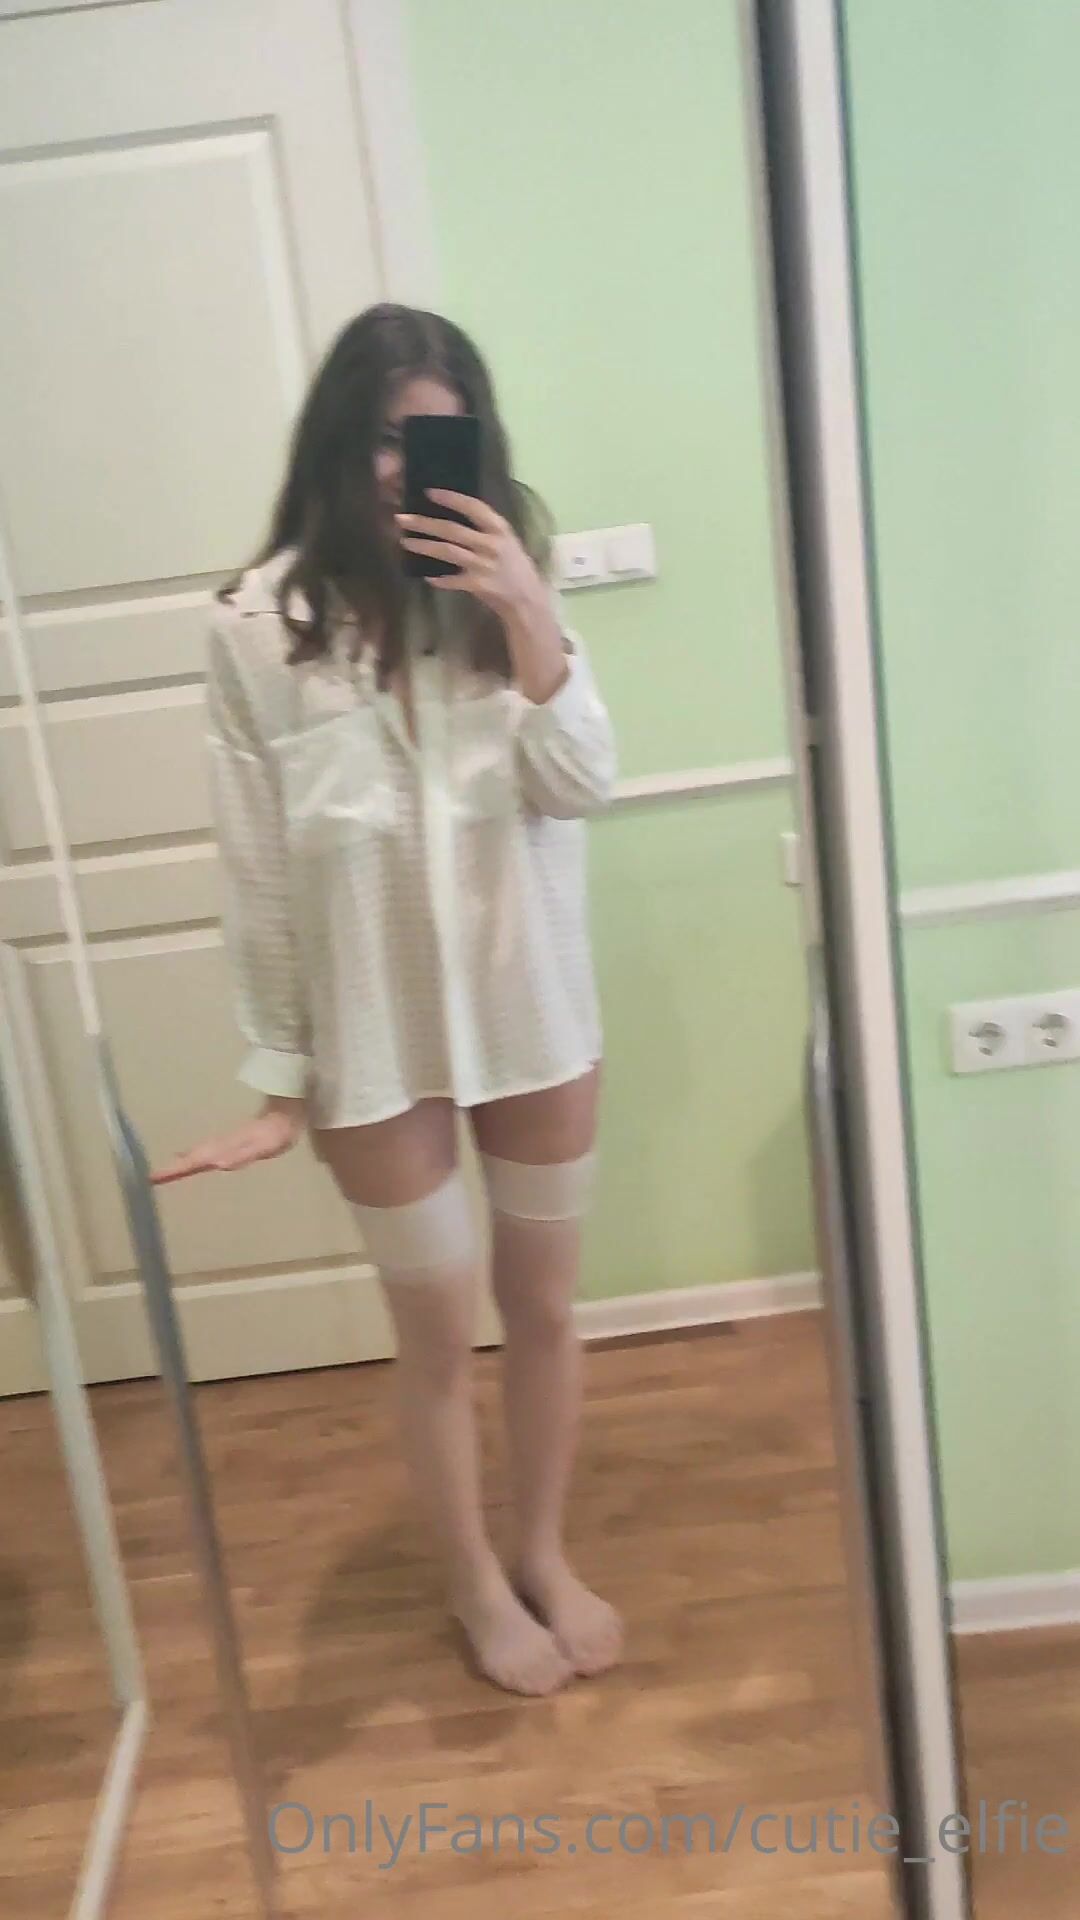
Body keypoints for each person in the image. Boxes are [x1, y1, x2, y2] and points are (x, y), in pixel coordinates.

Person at [151, 304, 621, 1696]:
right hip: (372, 1046)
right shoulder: (254, 626)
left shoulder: (510, 583)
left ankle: (542, 1550)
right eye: (374, 438)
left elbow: (581, 783)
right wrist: (277, 1074)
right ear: (331, 443)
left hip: (534, 1014)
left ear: (472, 442)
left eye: (429, 440)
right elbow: (259, 867)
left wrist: (525, 608)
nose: (397, 471)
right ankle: (472, 1583)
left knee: (545, 1308)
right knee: (434, 1332)